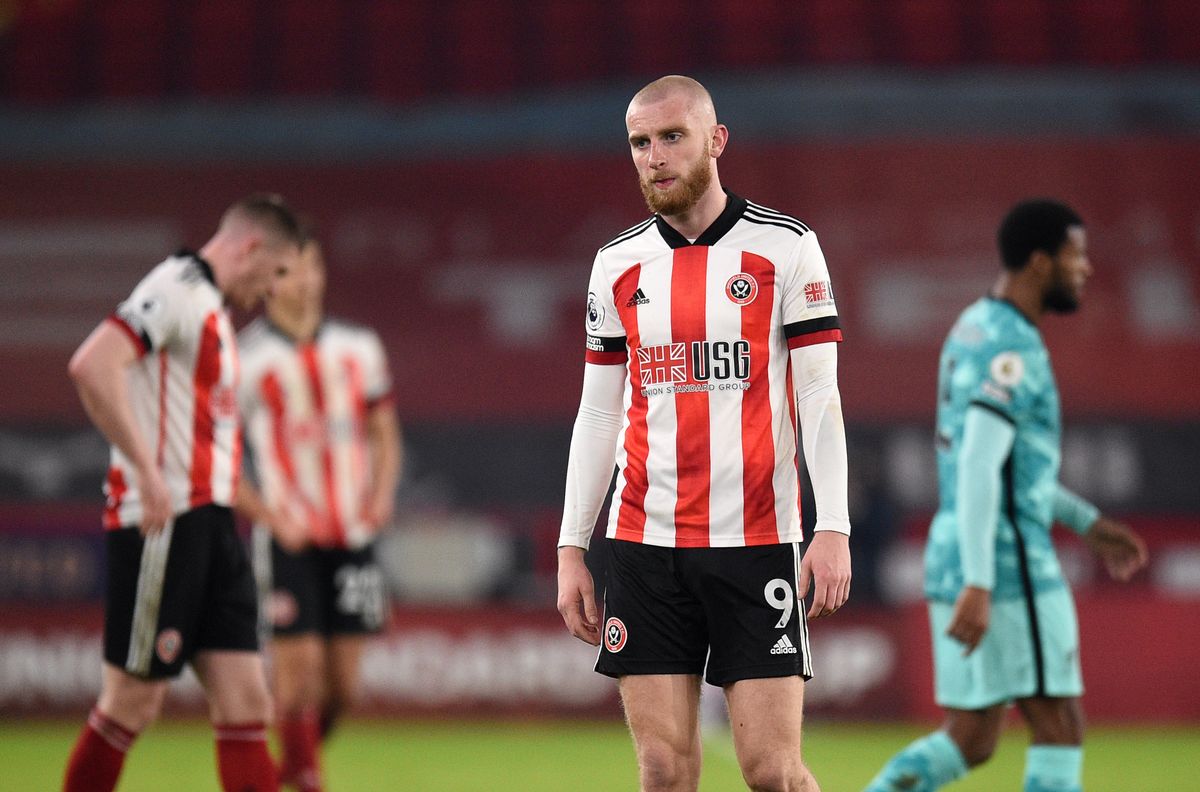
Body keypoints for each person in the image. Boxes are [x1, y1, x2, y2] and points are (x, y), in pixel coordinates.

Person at [556, 75, 852, 792]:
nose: (653, 156)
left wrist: (833, 524)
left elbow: (818, 395)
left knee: (773, 774)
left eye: (671, 137)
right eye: (639, 142)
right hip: (644, 546)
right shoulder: (617, 264)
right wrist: (572, 545)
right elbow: (598, 412)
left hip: (757, 543)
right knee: (663, 772)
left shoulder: (787, 248)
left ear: (716, 141)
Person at [864, 199, 1149, 792]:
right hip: (1004, 565)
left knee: (972, 737)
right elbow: (978, 464)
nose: (1086, 269)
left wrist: (1087, 521)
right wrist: (980, 579)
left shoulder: (972, 326)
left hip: (956, 550)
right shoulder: (1013, 349)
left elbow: (1010, 471)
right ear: (1041, 261)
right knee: (1060, 725)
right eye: (1076, 255)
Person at [63, 194, 306, 792]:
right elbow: (93, 364)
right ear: (248, 249)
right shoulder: (174, 287)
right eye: (276, 272)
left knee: (247, 699)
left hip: (213, 528)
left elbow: (204, 445)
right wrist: (145, 467)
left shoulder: (211, 310)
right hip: (162, 524)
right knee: (131, 703)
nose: (275, 291)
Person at [234, 238, 400, 792]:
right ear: (266, 281)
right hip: (289, 537)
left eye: (312, 266)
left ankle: (286, 771)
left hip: (353, 534)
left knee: (342, 687)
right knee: (297, 674)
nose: (303, 280)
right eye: (288, 270)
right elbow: (217, 456)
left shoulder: (359, 346)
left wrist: (380, 496)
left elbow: (384, 434)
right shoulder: (245, 356)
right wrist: (268, 515)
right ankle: (306, 779)